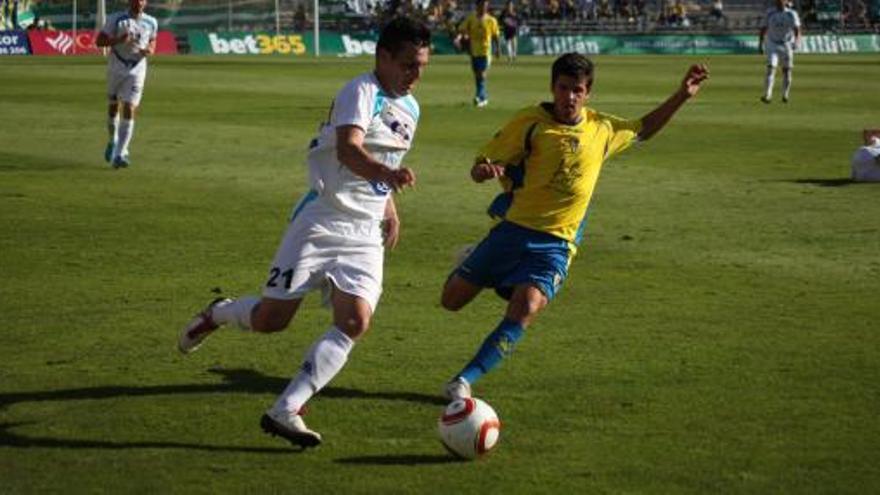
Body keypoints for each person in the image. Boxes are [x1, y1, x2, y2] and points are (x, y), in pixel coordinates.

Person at [177, 17, 431, 448]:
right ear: (382, 57)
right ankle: (218, 313)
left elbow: (381, 157)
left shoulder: (411, 108)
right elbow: (350, 148)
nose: (416, 74)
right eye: (408, 64)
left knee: (355, 321)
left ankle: (287, 408)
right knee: (271, 320)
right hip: (321, 219)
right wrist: (388, 176)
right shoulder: (360, 91)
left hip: (365, 231)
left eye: (422, 65)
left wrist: (390, 207)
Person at [439, 53, 709, 401]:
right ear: (552, 87)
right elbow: (481, 165)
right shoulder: (530, 122)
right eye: (563, 88)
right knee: (451, 301)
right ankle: (476, 257)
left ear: (588, 92)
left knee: (527, 308)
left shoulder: (601, 129)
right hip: (515, 229)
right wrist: (484, 171)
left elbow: (643, 129)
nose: (569, 97)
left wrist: (681, 96)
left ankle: (462, 381)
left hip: (557, 243)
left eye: (577, 90)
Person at [95, 0, 157, 169]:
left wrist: (150, 49)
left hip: (137, 68)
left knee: (129, 106)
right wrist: (117, 40)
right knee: (114, 106)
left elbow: (152, 40)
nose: (139, 2)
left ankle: (120, 154)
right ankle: (112, 140)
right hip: (116, 66)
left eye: (142, 0)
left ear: (146, 2)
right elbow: (99, 41)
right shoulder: (116, 19)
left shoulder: (151, 21)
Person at [455, 0, 500, 107]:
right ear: (477, 6)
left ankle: (479, 96)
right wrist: (460, 37)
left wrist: (498, 49)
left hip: (486, 51)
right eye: (481, 5)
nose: (482, 7)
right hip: (474, 52)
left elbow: (495, 36)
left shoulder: (491, 20)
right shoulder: (471, 19)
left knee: (482, 75)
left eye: (485, 5)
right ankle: (483, 98)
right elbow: (462, 29)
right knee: (478, 76)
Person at [758, 0, 801, 104]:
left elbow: (797, 29)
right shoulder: (770, 13)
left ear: (786, 1)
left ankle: (785, 95)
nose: (780, 2)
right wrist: (761, 44)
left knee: (787, 71)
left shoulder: (791, 14)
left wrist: (797, 41)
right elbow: (763, 28)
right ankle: (767, 95)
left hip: (786, 45)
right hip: (773, 44)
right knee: (771, 68)